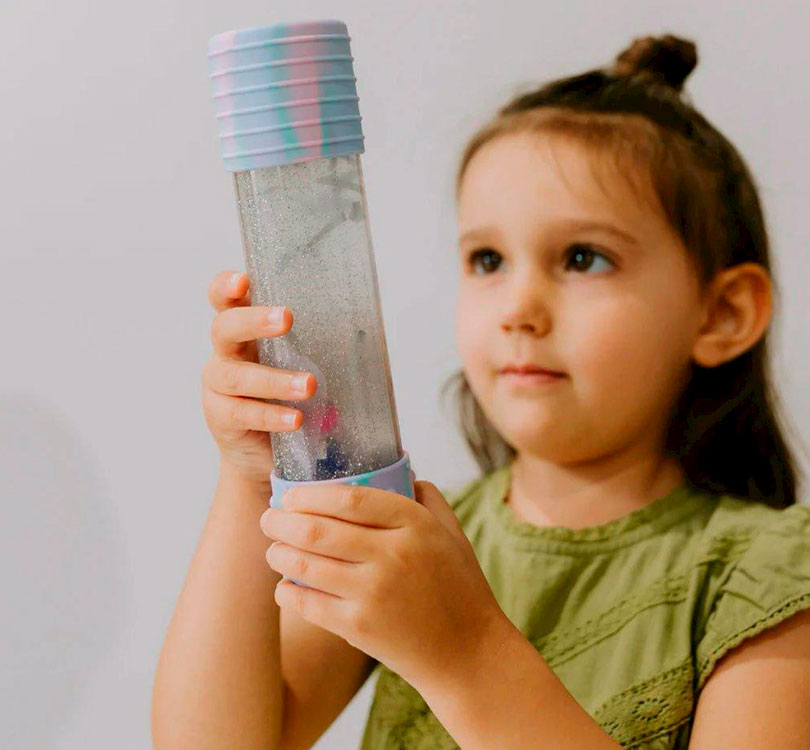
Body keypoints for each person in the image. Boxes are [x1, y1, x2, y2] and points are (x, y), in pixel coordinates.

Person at [152, 33, 810, 749]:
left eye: (583, 258)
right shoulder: (406, 537)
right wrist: (247, 479)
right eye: (488, 259)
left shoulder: (772, 578)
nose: (518, 308)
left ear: (722, 314)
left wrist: (466, 654)